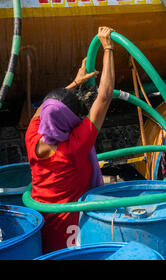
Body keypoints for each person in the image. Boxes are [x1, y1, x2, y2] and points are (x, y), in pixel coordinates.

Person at [25, 26, 115, 253]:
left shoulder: (32, 136)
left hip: (41, 222)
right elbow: (104, 96)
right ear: (70, 119)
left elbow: (44, 108)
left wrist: (75, 83)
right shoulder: (74, 146)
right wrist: (108, 48)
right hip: (70, 227)